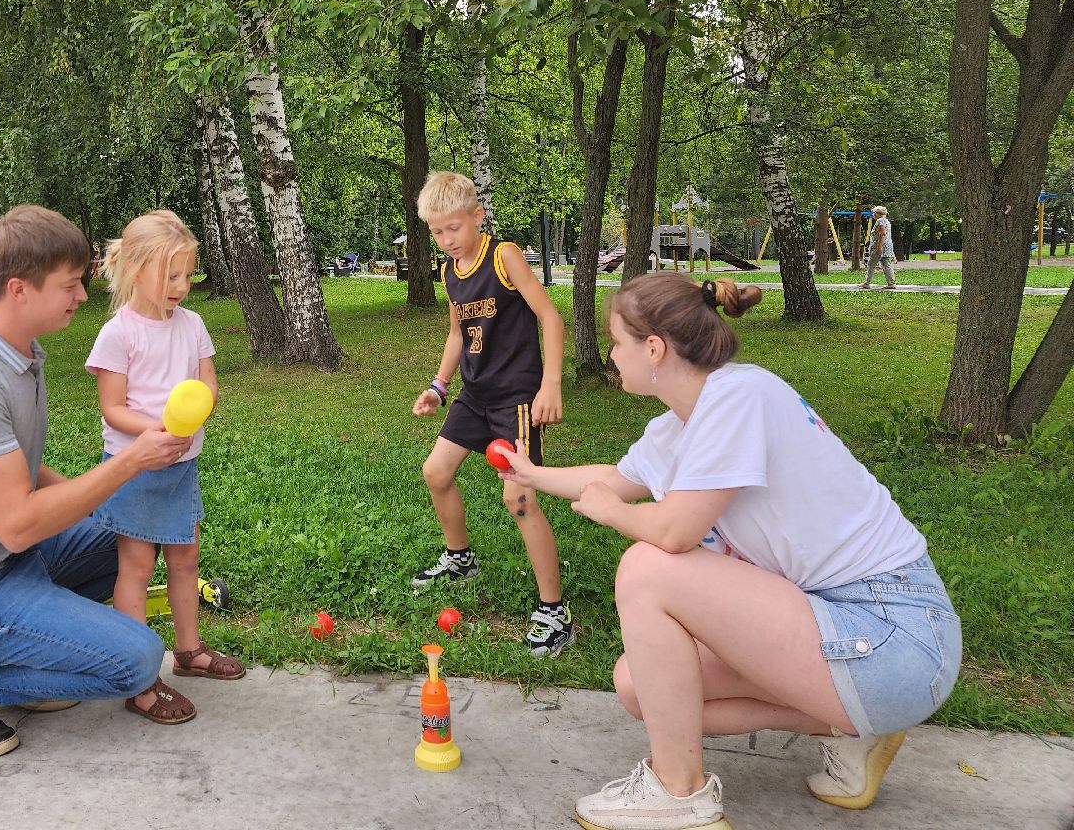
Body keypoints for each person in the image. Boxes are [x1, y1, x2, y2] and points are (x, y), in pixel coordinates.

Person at [500, 274, 961, 830]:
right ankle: (853, 729)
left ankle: (679, 793)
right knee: (641, 687)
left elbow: (673, 531)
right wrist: (530, 473)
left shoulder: (739, 396)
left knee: (647, 568)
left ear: (654, 348)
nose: (611, 354)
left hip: (894, 635)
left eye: (616, 341)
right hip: (838, 624)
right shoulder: (678, 427)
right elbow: (614, 478)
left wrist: (614, 512)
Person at [0, 205, 191, 760]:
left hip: (7, 560)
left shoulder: (19, 351)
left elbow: (21, 469)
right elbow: (19, 524)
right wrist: (128, 463)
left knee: (129, 533)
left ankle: (23, 648)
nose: (83, 296)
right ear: (20, 290)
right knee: (136, 660)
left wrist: (95, 500)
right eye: (70, 285)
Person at [85, 210, 244, 725]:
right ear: (135, 270)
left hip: (180, 467)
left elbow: (207, 383)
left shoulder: (192, 325)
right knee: (135, 568)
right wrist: (155, 430)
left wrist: (199, 412)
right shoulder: (118, 333)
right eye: (171, 276)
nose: (182, 287)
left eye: (188, 275)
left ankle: (189, 650)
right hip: (134, 467)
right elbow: (113, 408)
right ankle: (138, 677)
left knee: (186, 559)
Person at [410, 170, 572, 656]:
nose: (446, 240)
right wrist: (439, 387)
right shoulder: (449, 272)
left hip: (517, 399)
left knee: (518, 499)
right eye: (437, 232)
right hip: (475, 396)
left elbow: (550, 317)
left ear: (477, 216)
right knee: (436, 472)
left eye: (454, 228)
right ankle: (460, 559)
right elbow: (458, 335)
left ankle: (554, 610)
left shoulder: (503, 257)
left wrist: (550, 384)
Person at [861, 205, 897, 289]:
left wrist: (879, 247)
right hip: (887, 246)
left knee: (871, 264)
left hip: (879, 246)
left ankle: (867, 283)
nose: (873, 214)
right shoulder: (886, 221)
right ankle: (891, 283)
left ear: (877, 213)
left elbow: (882, 234)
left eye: (874, 213)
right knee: (887, 264)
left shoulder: (880, 221)